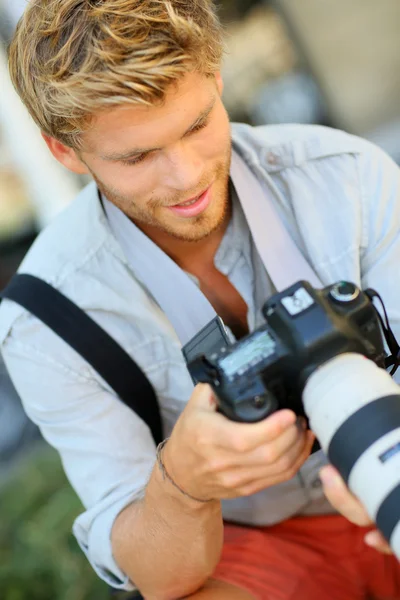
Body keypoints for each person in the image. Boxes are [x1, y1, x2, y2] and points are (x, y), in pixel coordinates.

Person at [1, 1, 399, 598]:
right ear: (65, 152)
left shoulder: (346, 179)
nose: (186, 177)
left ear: (215, 80)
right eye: (137, 156)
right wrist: (184, 482)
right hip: (253, 542)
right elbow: (160, 577)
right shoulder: (46, 321)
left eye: (196, 124)